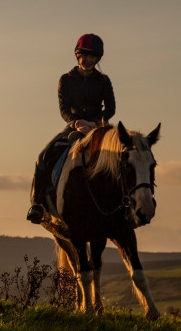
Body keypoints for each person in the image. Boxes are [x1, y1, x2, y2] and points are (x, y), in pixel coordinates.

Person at [26, 33, 115, 224]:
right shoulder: (65, 80)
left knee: (123, 155)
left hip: (97, 127)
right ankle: (37, 203)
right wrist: (76, 122)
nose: (90, 60)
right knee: (43, 156)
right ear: (78, 55)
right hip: (74, 126)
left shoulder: (104, 81)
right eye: (86, 55)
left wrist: (95, 122)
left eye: (94, 56)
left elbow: (111, 108)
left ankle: (126, 204)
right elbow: (64, 108)